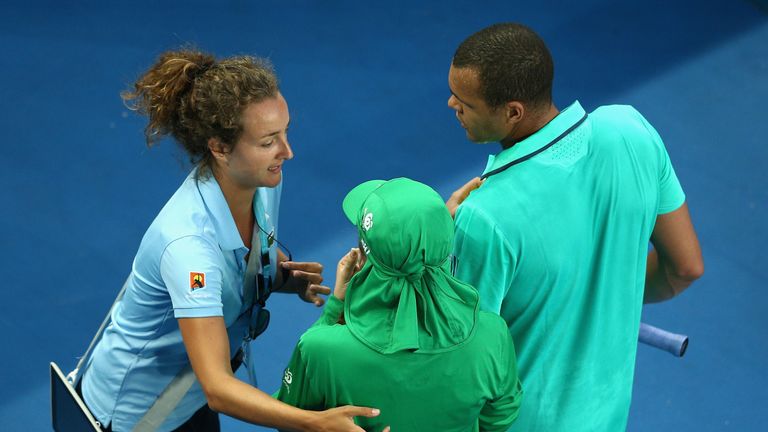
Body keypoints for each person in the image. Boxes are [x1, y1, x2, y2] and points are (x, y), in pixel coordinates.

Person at [79, 49, 382, 431]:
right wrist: (315, 423)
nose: (287, 152)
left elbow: (241, 257)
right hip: (137, 419)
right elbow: (219, 388)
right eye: (268, 141)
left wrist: (279, 275)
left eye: (286, 132)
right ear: (220, 148)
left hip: (186, 395)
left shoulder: (262, 183)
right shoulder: (189, 249)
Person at [444, 23, 704, 431]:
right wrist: (603, 302)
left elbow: (457, 361)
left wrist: (440, 244)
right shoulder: (631, 130)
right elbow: (684, 268)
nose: (451, 105)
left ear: (513, 112)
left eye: (465, 102)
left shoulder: (482, 217)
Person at [276, 178, 523, 432]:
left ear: (361, 257)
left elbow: (288, 420)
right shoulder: (493, 334)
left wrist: (333, 310)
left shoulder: (320, 350)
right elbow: (499, 418)